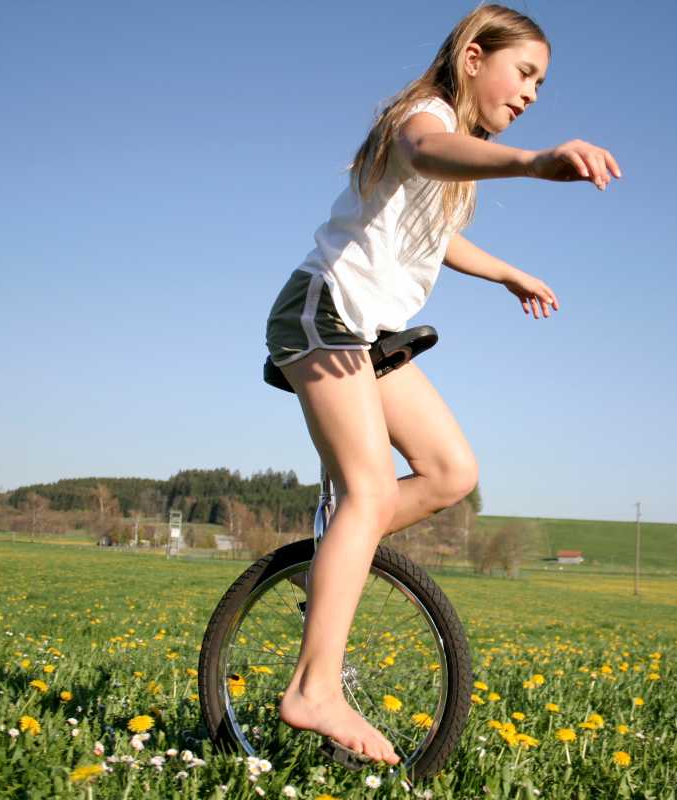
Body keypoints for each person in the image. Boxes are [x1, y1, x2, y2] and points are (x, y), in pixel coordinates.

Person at [268, 4, 621, 765]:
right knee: (369, 492)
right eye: (524, 73)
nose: (530, 94)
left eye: (540, 85)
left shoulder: (452, 154)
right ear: (472, 57)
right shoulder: (423, 117)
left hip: (367, 332)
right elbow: (428, 152)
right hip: (323, 313)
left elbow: (440, 235)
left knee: (451, 471)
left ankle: (336, 554)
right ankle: (313, 689)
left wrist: (508, 273)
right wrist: (533, 162)